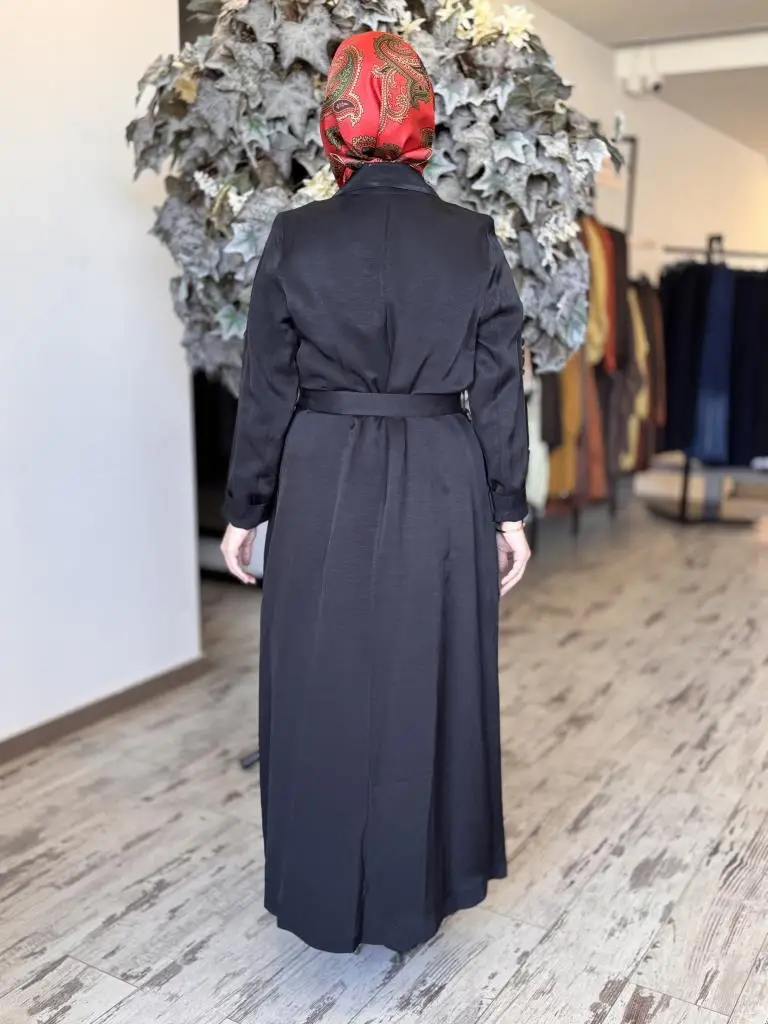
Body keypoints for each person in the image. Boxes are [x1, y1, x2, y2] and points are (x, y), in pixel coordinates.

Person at [220, 30, 530, 955]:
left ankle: (323, 894)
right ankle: (417, 890)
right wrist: (507, 507)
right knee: (428, 676)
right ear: (424, 118)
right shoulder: (472, 240)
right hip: (442, 468)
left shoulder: (296, 236)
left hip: (322, 473)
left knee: (321, 679)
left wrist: (245, 510)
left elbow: (266, 385)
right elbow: (500, 388)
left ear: (336, 121)